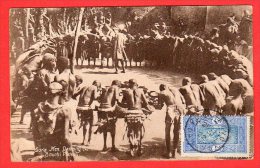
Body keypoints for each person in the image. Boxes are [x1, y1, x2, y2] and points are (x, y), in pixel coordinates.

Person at [32, 82, 74, 161]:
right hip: (58, 150)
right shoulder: (65, 111)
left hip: (43, 150)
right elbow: (66, 138)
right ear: (61, 94)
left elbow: (35, 135)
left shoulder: (37, 110)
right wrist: (71, 152)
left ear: (47, 93)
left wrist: (38, 152)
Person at [121, 79, 149, 156]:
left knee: (130, 131)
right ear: (136, 84)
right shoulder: (141, 91)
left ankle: (131, 150)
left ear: (129, 84)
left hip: (130, 113)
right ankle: (139, 149)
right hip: (139, 113)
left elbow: (123, 103)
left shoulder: (126, 91)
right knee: (139, 131)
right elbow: (146, 103)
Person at [158, 84, 186, 159]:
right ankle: (175, 152)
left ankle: (168, 153)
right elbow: (183, 100)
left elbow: (159, 106)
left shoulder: (161, 93)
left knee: (167, 131)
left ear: (162, 88)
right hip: (180, 109)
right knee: (176, 131)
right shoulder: (175, 89)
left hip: (171, 109)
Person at [72, 79, 101, 145]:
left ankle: (83, 140)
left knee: (85, 123)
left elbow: (75, 95)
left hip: (80, 107)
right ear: (98, 86)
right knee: (91, 124)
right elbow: (95, 97)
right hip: (86, 107)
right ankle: (89, 141)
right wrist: (99, 93)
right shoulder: (95, 87)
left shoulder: (85, 86)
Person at [96, 80, 121, 152]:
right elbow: (117, 100)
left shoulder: (106, 88)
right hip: (109, 108)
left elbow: (100, 99)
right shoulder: (115, 87)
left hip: (101, 109)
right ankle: (113, 146)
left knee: (104, 127)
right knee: (113, 126)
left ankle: (104, 146)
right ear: (118, 84)